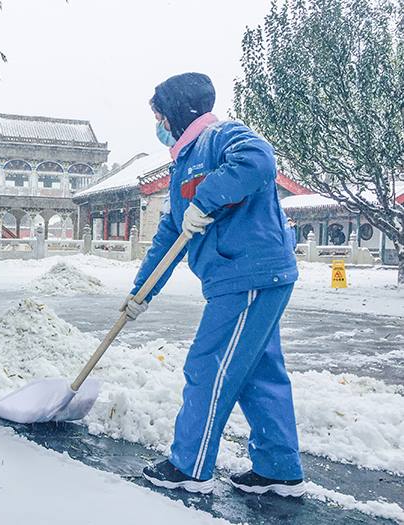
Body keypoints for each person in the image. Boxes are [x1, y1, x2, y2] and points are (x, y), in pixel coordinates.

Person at [122, 72, 304, 497]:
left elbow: (259, 160)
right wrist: (141, 292)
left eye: (160, 115)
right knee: (259, 372)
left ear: (178, 112)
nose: (158, 124)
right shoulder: (182, 163)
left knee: (210, 364)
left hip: (249, 273)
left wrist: (206, 199)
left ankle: (189, 466)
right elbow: (171, 232)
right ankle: (279, 469)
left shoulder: (222, 136)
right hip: (243, 277)